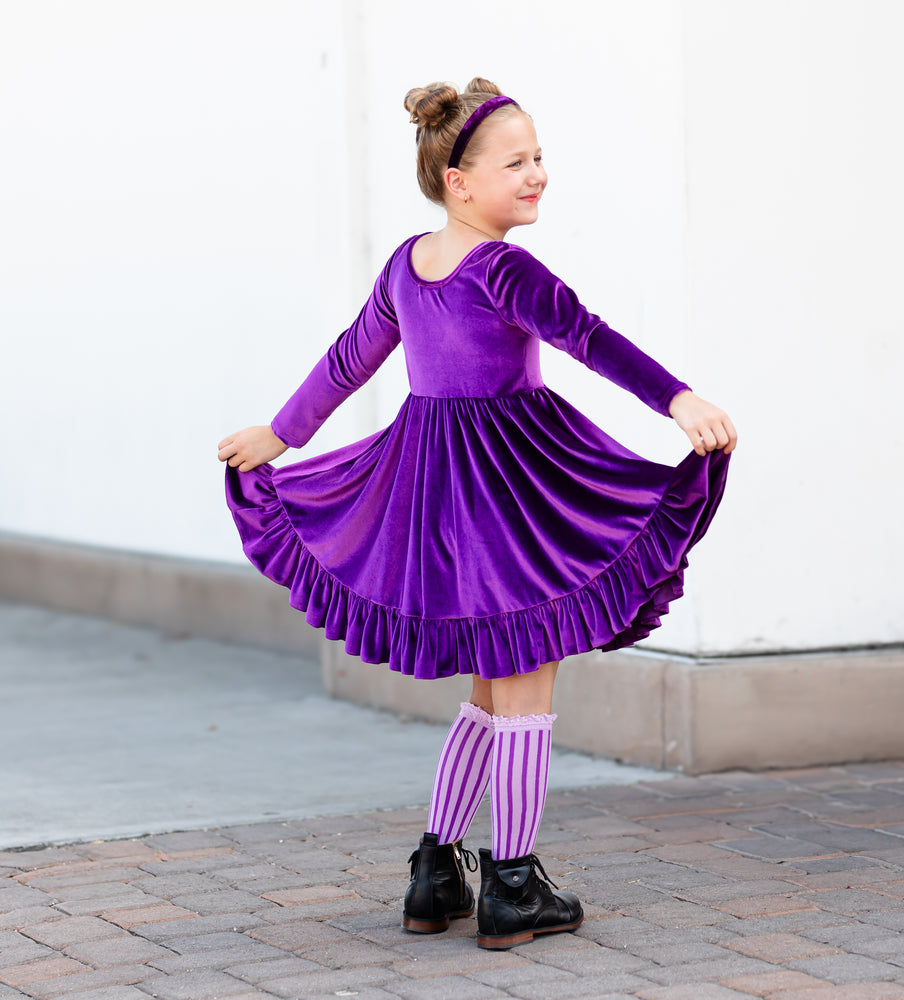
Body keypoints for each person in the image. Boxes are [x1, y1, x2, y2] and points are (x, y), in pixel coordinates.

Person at [218, 77, 736, 950]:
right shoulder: (502, 268)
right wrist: (677, 398)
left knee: (492, 689)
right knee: (526, 676)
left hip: (434, 486)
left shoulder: (408, 263)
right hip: (508, 481)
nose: (537, 175)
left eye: (540, 158)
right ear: (460, 180)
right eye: (517, 162)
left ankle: (435, 872)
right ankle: (514, 884)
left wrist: (282, 432)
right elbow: (591, 337)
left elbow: (351, 360)